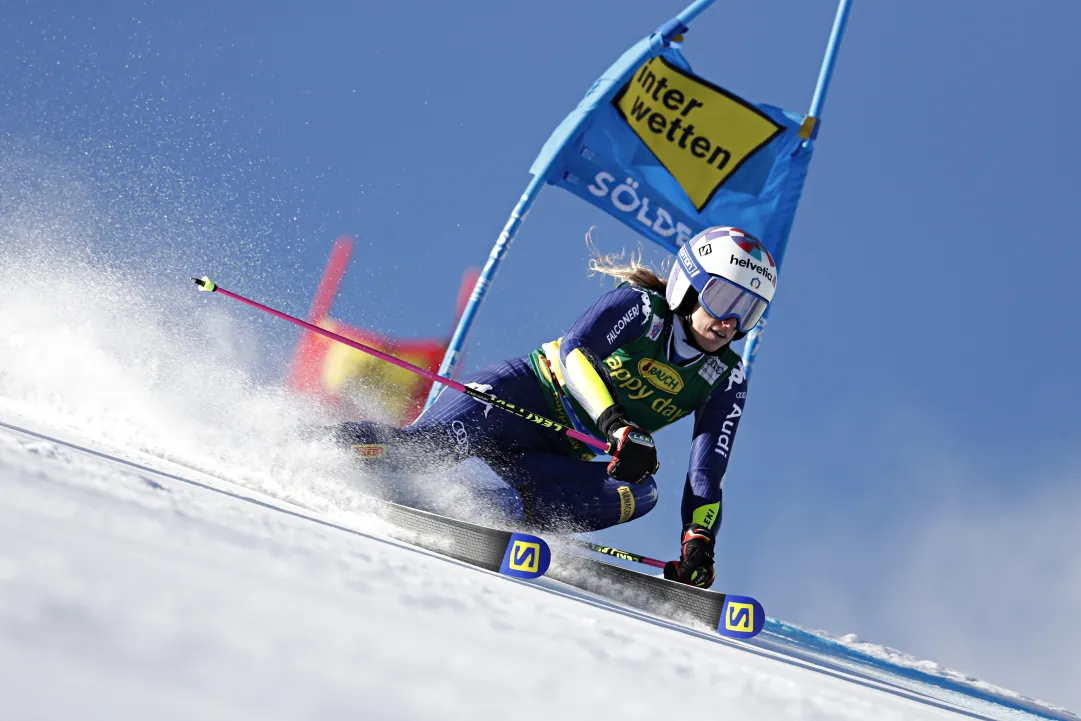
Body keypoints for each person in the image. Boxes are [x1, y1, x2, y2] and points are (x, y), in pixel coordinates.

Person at [331, 226, 777, 588]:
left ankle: (478, 512)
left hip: (553, 457)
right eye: (724, 299)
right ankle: (316, 446)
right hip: (514, 400)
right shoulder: (642, 308)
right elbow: (577, 352)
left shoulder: (726, 377)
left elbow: (707, 471)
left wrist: (698, 542)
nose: (730, 322)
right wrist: (617, 425)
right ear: (689, 285)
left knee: (641, 492)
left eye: (750, 311)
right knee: (421, 451)